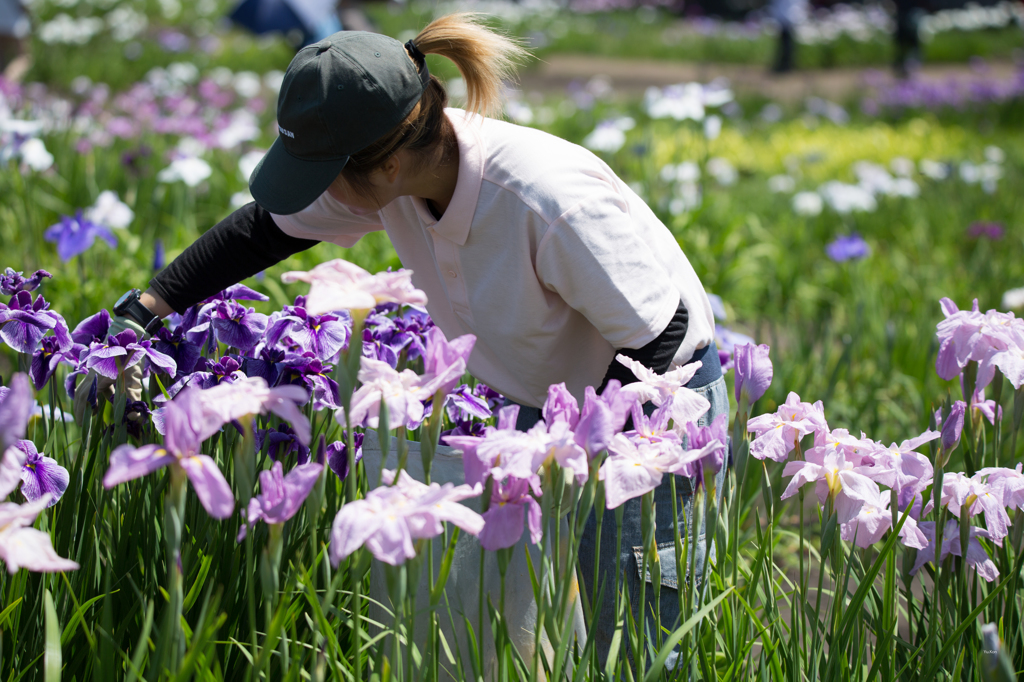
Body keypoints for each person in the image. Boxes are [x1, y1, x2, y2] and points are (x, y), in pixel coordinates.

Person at [98, 13, 727, 664]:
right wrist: (143, 311)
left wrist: (580, 451)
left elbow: (665, 334)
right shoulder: (395, 180)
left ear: (389, 162)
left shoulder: (544, 197)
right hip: (543, 410)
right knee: (529, 633)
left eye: (321, 174)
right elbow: (267, 229)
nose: (316, 194)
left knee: (631, 639)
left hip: (648, 417)